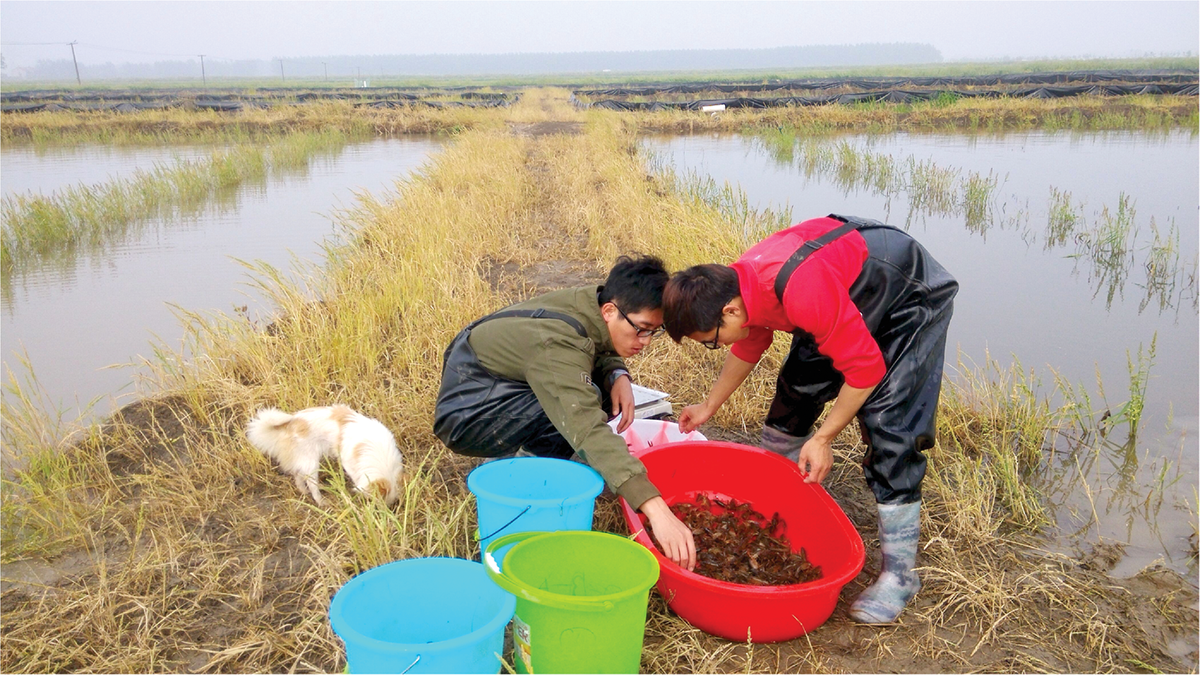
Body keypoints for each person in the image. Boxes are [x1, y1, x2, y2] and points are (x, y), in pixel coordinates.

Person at [662, 214, 958, 623]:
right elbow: (752, 342)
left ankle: (901, 575)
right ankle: (773, 500)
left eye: (710, 342)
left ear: (729, 311)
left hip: (906, 290)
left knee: (889, 423)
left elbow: (865, 370)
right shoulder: (743, 285)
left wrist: (823, 438)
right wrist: (710, 405)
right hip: (842, 285)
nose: (715, 346)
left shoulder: (800, 291)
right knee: (799, 385)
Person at [434, 255, 697, 571]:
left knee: (594, 390)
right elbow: (585, 426)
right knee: (579, 406)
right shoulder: (556, 346)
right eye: (642, 330)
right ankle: (527, 470)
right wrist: (655, 508)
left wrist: (617, 373)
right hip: (467, 412)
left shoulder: (595, 299)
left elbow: (595, 340)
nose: (646, 342)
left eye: (655, 331)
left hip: (498, 379)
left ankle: (540, 459)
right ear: (610, 311)